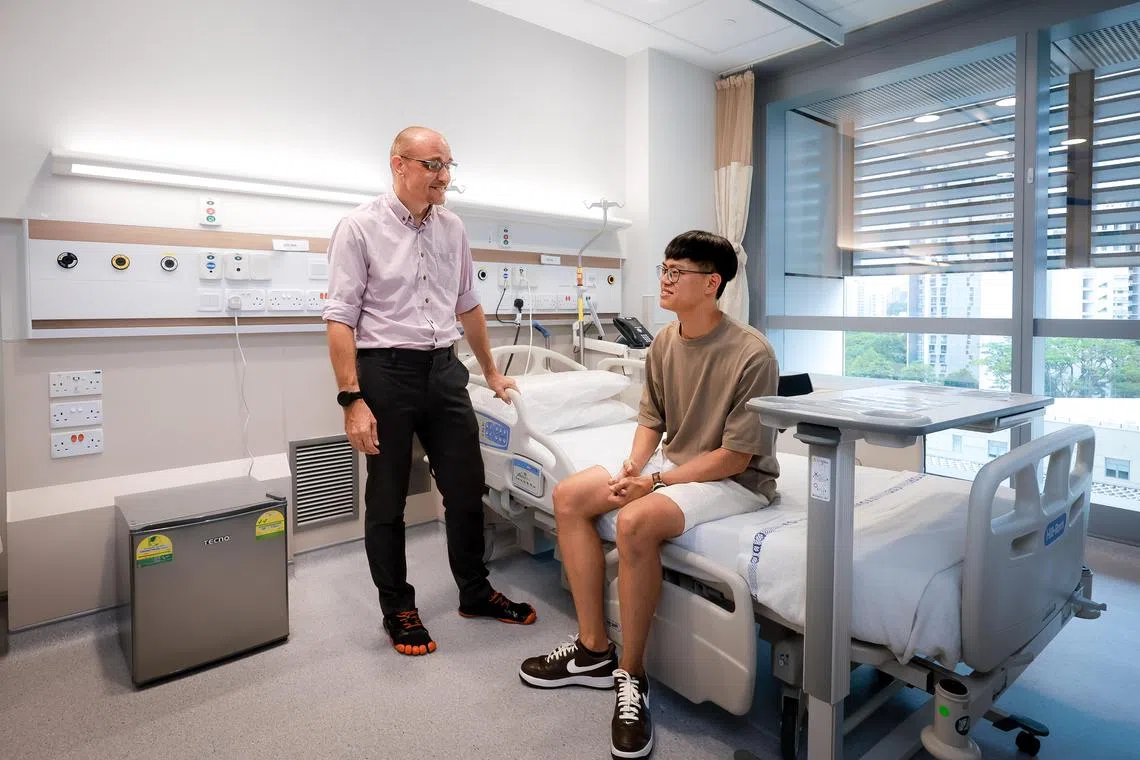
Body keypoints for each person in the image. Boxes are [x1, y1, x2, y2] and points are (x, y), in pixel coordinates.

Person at [519, 230, 780, 759]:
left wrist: (653, 484)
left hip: (735, 481)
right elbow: (651, 419)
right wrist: (635, 465)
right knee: (570, 495)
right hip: (676, 464)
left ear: (711, 284)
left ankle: (630, 676)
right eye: (664, 267)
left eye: (676, 272)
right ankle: (593, 648)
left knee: (637, 520)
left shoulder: (751, 354)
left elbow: (735, 457)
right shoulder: (664, 342)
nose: (664, 278)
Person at [323, 126, 536, 657]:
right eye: (434, 165)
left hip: (443, 370)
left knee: (466, 488)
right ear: (399, 165)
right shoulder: (358, 228)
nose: (445, 176)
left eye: (448, 165)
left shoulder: (453, 228)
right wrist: (352, 400)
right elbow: (340, 318)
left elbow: (468, 303)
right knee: (388, 497)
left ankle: (473, 591)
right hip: (384, 372)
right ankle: (397, 606)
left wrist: (490, 371)